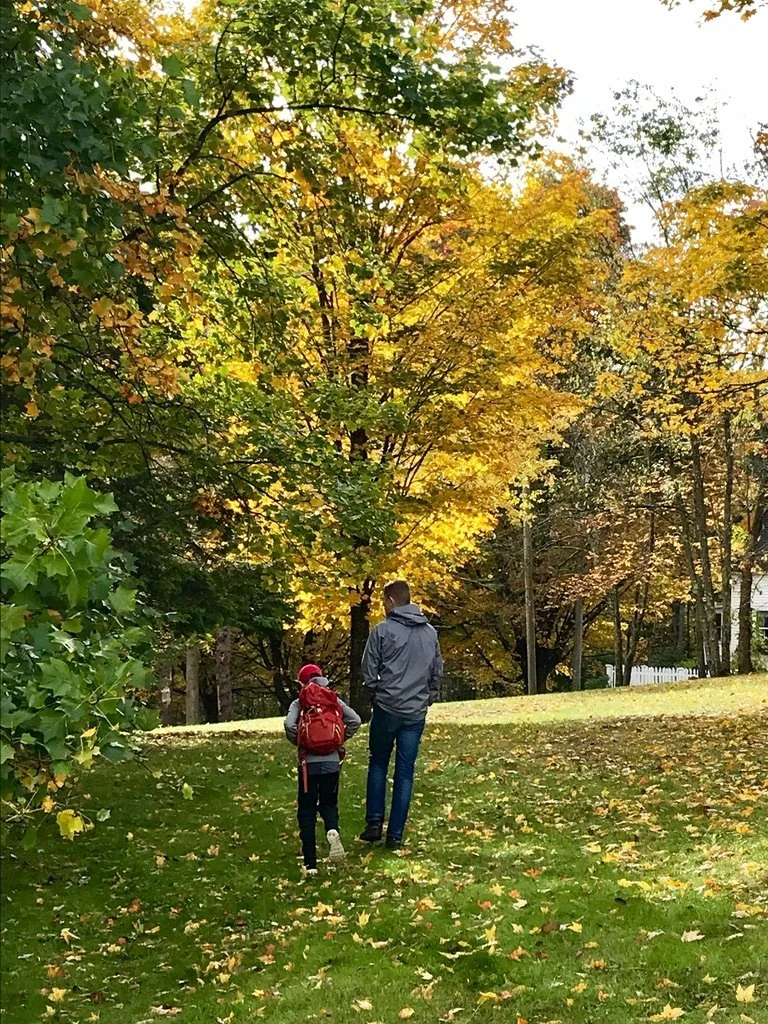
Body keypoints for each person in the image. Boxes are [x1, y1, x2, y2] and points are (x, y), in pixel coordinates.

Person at [359, 580, 443, 849]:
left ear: (392, 601)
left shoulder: (382, 631)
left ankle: (374, 821)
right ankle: (395, 834)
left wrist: (374, 693)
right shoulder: (430, 633)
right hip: (415, 712)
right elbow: (436, 671)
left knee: (378, 763)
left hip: (387, 708)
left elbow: (369, 669)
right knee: (405, 771)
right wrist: (427, 696)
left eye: (384, 602)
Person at [284, 663, 361, 875]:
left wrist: (302, 743)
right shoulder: (332, 698)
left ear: (303, 682)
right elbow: (355, 719)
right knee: (329, 802)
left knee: (307, 809)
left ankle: (311, 864)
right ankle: (332, 830)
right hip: (332, 762)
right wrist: (338, 740)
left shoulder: (300, 702)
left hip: (308, 764)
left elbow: (289, 726)